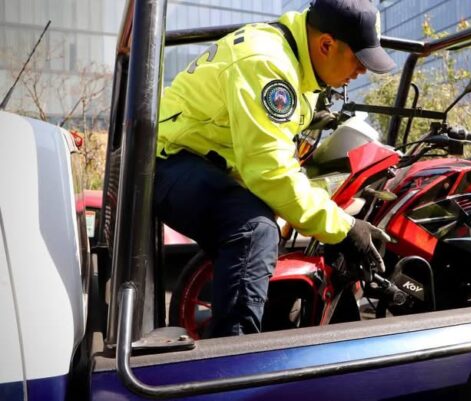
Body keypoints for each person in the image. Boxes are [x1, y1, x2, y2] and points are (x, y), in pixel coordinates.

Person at [153, 0, 394, 338]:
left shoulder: (297, 63)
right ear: (326, 44)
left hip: (206, 160)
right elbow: (269, 172)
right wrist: (345, 229)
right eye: (358, 59)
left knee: (287, 210)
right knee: (253, 229)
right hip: (167, 159)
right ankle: (232, 362)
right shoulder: (268, 64)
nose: (362, 72)